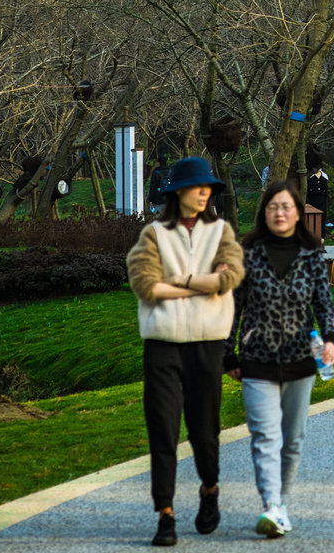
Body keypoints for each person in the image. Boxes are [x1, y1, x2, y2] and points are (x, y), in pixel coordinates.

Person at [126, 156, 245, 548]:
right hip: (162, 344)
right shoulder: (153, 235)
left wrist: (182, 279)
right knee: (162, 429)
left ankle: (209, 490)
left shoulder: (222, 232)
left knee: (204, 430)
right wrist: (201, 285)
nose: (204, 192)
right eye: (197, 186)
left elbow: (231, 277)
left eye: (208, 187)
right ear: (178, 192)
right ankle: (165, 514)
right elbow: (146, 285)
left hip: (207, 344)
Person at [224, 179, 334, 539]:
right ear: (264, 213)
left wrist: (330, 338)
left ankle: (282, 502)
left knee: (293, 438)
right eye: (273, 207)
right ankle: (271, 504)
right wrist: (229, 354)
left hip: (301, 359)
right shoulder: (249, 253)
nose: (280, 213)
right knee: (264, 435)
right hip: (256, 359)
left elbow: (323, 301)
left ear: (297, 212)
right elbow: (234, 306)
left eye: (286, 206)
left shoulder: (311, 252)